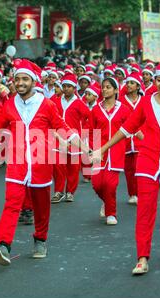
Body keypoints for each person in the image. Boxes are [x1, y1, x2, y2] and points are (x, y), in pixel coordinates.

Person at [0, 59, 91, 266]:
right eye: (17, 79)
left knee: (42, 207)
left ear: (33, 81)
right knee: (11, 203)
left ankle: (41, 239)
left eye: (25, 79)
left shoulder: (47, 104)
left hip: (41, 163)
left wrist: (87, 149)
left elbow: (64, 129)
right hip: (16, 163)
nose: (21, 82)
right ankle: (4, 245)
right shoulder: (9, 105)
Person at [91, 61, 160, 275]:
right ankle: (142, 257)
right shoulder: (146, 102)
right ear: (154, 81)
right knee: (145, 211)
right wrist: (103, 148)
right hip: (147, 162)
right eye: (159, 80)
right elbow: (127, 128)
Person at [90, 77, 131, 225]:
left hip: (116, 151)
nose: (105, 89)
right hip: (98, 150)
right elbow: (91, 132)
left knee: (110, 184)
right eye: (103, 87)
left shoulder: (124, 109)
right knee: (96, 184)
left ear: (115, 90)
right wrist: (91, 150)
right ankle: (107, 201)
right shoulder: (95, 109)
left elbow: (130, 128)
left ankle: (111, 213)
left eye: (108, 87)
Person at [51, 73, 90, 204]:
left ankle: (70, 192)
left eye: (69, 86)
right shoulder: (55, 101)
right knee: (58, 166)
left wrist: (81, 131)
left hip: (74, 139)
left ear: (74, 88)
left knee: (73, 168)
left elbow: (88, 117)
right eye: (64, 86)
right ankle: (58, 191)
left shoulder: (79, 103)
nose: (66, 88)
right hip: (58, 138)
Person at [119, 73, 145, 205]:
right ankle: (132, 194)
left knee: (139, 167)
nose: (128, 85)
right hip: (126, 139)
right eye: (127, 83)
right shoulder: (121, 101)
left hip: (142, 139)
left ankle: (140, 193)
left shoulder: (145, 100)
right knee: (129, 169)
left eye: (132, 83)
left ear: (138, 86)